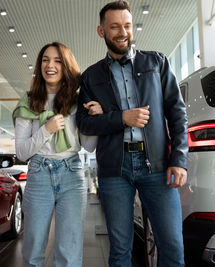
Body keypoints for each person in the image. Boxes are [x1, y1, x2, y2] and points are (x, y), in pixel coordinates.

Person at [76, 1, 188, 267]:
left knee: (172, 247)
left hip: (159, 166)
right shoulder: (91, 76)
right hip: (115, 168)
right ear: (101, 31)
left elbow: (177, 114)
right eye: (114, 27)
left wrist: (179, 159)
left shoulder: (157, 63)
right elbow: (84, 124)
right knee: (119, 250)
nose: (123, 32)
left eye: (127, 25)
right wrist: (121, 118)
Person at [13, 41, 102, 267]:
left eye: (57, 60)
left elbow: (88, 146)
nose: (50, 65)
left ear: (66, 66)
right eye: (45, 60)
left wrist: (95, 120)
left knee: (69, 251)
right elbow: (22, 152)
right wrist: (46, 130)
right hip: (39, 173)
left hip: (71, 173)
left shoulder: (77, 100)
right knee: (33, 249)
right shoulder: (29, 100)